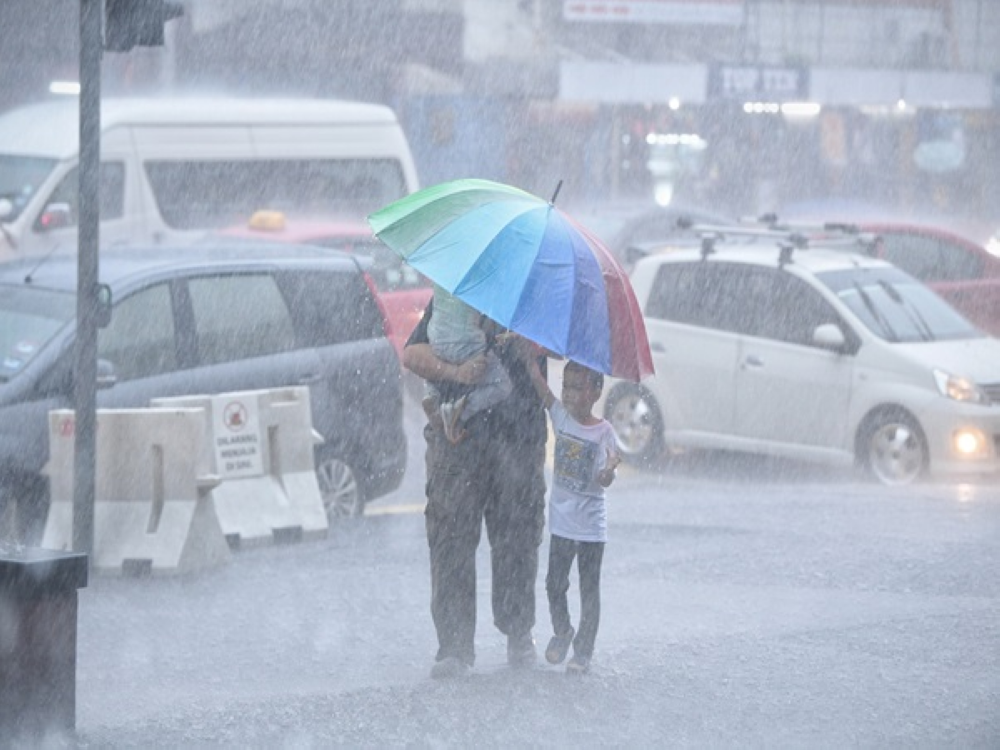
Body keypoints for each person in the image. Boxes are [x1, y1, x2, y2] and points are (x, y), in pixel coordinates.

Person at [403, 300, 548, 679]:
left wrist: (531, 347)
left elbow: (564, 349)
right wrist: (455, 370)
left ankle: (518, 631)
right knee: (450, 535)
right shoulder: (458, 288)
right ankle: (453, 645)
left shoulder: (534, 296)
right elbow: (413, 350)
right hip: (457, 440)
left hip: (520, 435)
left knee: (518, 535)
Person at [522, 354, 620, 675]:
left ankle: (583, 650)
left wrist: (607, 471)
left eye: (577, 388)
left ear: (595, 392)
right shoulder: (561, 417)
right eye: (566, 386)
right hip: (562, 524)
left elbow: (605, 479)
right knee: (554, 583)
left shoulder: (604, 432)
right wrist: (530, 359)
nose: (568, 394)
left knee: (589, 589)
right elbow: (542, 389)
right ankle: (562, 631)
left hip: (591, 528)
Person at [422, 283, 512, 444]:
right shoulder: (480, 284)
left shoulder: (443, 279)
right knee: (503, 384)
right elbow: (489, 320)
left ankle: (432, 394)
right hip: (468, 344)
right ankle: (459, 410)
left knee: (435, 362)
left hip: (436, 338)